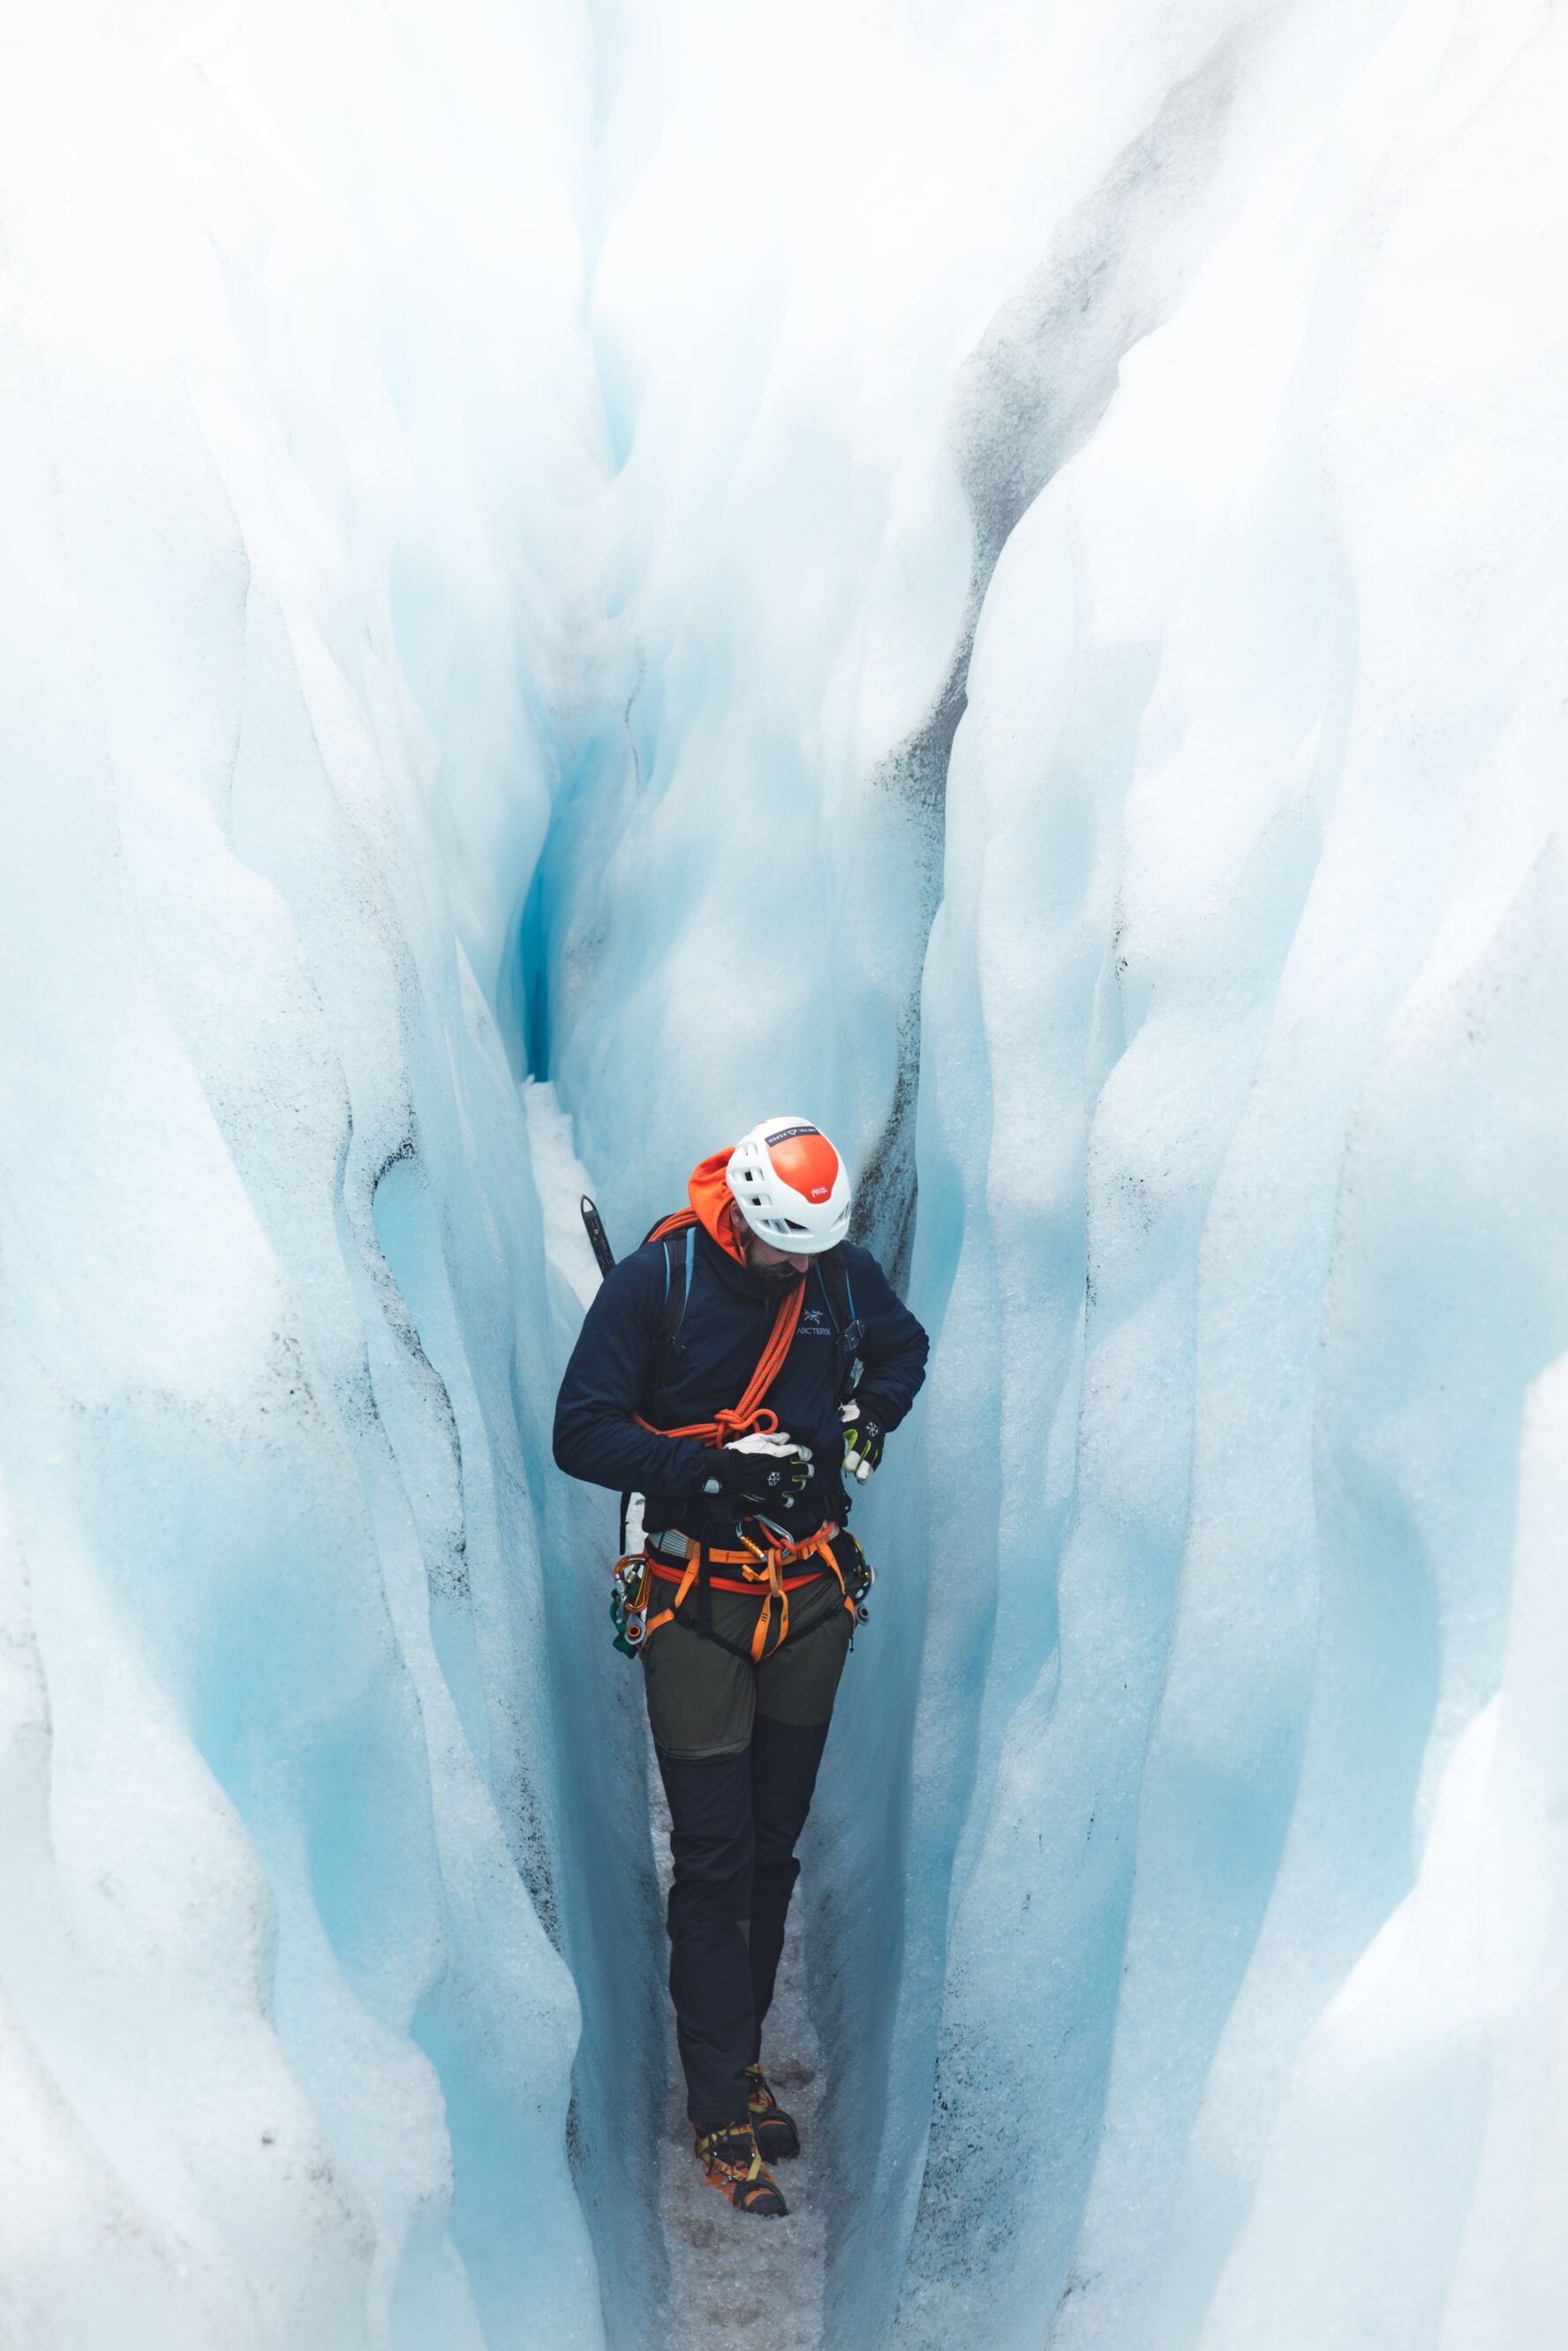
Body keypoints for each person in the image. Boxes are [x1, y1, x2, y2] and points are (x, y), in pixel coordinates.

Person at [553, 1117, 928, 2217]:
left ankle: (743, 2058)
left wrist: (867, 1418)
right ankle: (720, 2106)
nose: (804, 1270)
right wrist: (713, 1466)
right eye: (787, 1252)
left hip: (811, 1598)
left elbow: (901, 1348)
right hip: (695, 1601)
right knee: (714, 1858)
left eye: (819, 1251)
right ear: (750, 1219)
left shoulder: (834, 1274)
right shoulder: (658, 1282)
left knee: (769, 1847)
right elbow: (583, 1431)